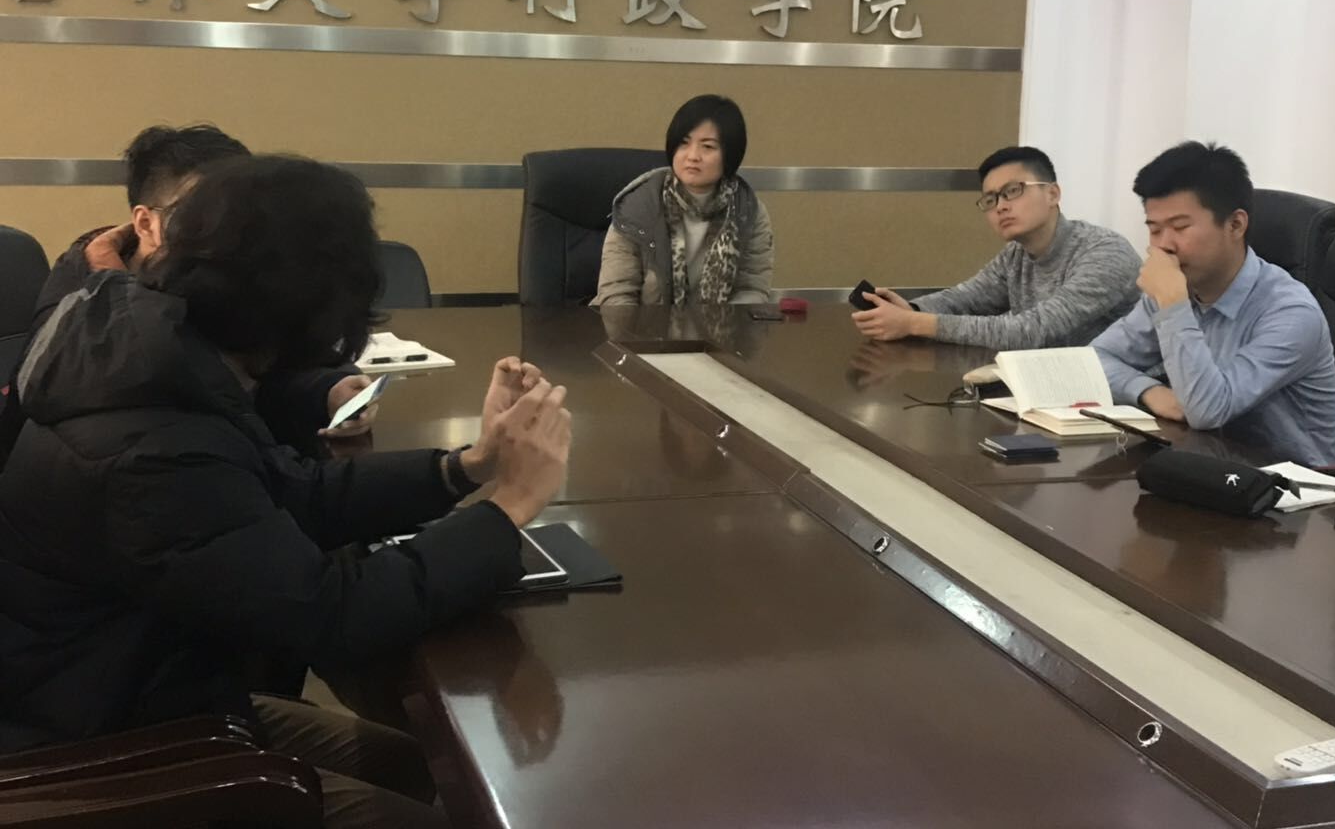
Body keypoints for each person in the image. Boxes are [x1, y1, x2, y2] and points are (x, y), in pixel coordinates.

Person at [0, 155, 571, 828]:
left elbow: (295, 493)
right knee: (433, 804)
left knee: (420, 765)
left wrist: (469, 465)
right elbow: (332, 617)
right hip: (95, 743)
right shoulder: (152, 447)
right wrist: (510, 508)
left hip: (133, 687)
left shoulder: (156, 360)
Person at [4, 125, 373, 462]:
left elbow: (256, 363)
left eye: (238, 214)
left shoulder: (217, 275)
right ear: (146, 223)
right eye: (200, 213)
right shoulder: (85, 312)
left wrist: (330, 388)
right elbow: (210, 392)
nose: (225, 229)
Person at [1091, 141, 1335, 467]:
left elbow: (1208, 410)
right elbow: (1093, 360)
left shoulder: (1291, 312)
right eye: (1154, 230)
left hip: (1295, 485)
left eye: (1180, 227)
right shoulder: (1177, 288)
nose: (1164, 245)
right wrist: (1147, 391)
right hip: (1209, 465)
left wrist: (1172, 305)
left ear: (1236, 225)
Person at [852, 146, 1140, 348]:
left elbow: (1035, 331)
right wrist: (911, 308)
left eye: (1013, 191)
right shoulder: (1016, 255)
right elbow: (966, 298)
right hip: (1052, 388)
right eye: (991, 200)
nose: (1001, 206)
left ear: (1052, 193)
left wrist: (914, 323)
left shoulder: (1105, 252)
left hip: (1123, 400)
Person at [593, 94, 774, 306]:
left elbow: (751, 290)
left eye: (708, 146)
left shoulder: (748, 211)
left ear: (730, 155)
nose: (693, 156)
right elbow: (616, 295)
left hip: (720, 326)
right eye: (684, 143)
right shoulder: (638, 206)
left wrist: (723, 325)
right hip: (641, 324)